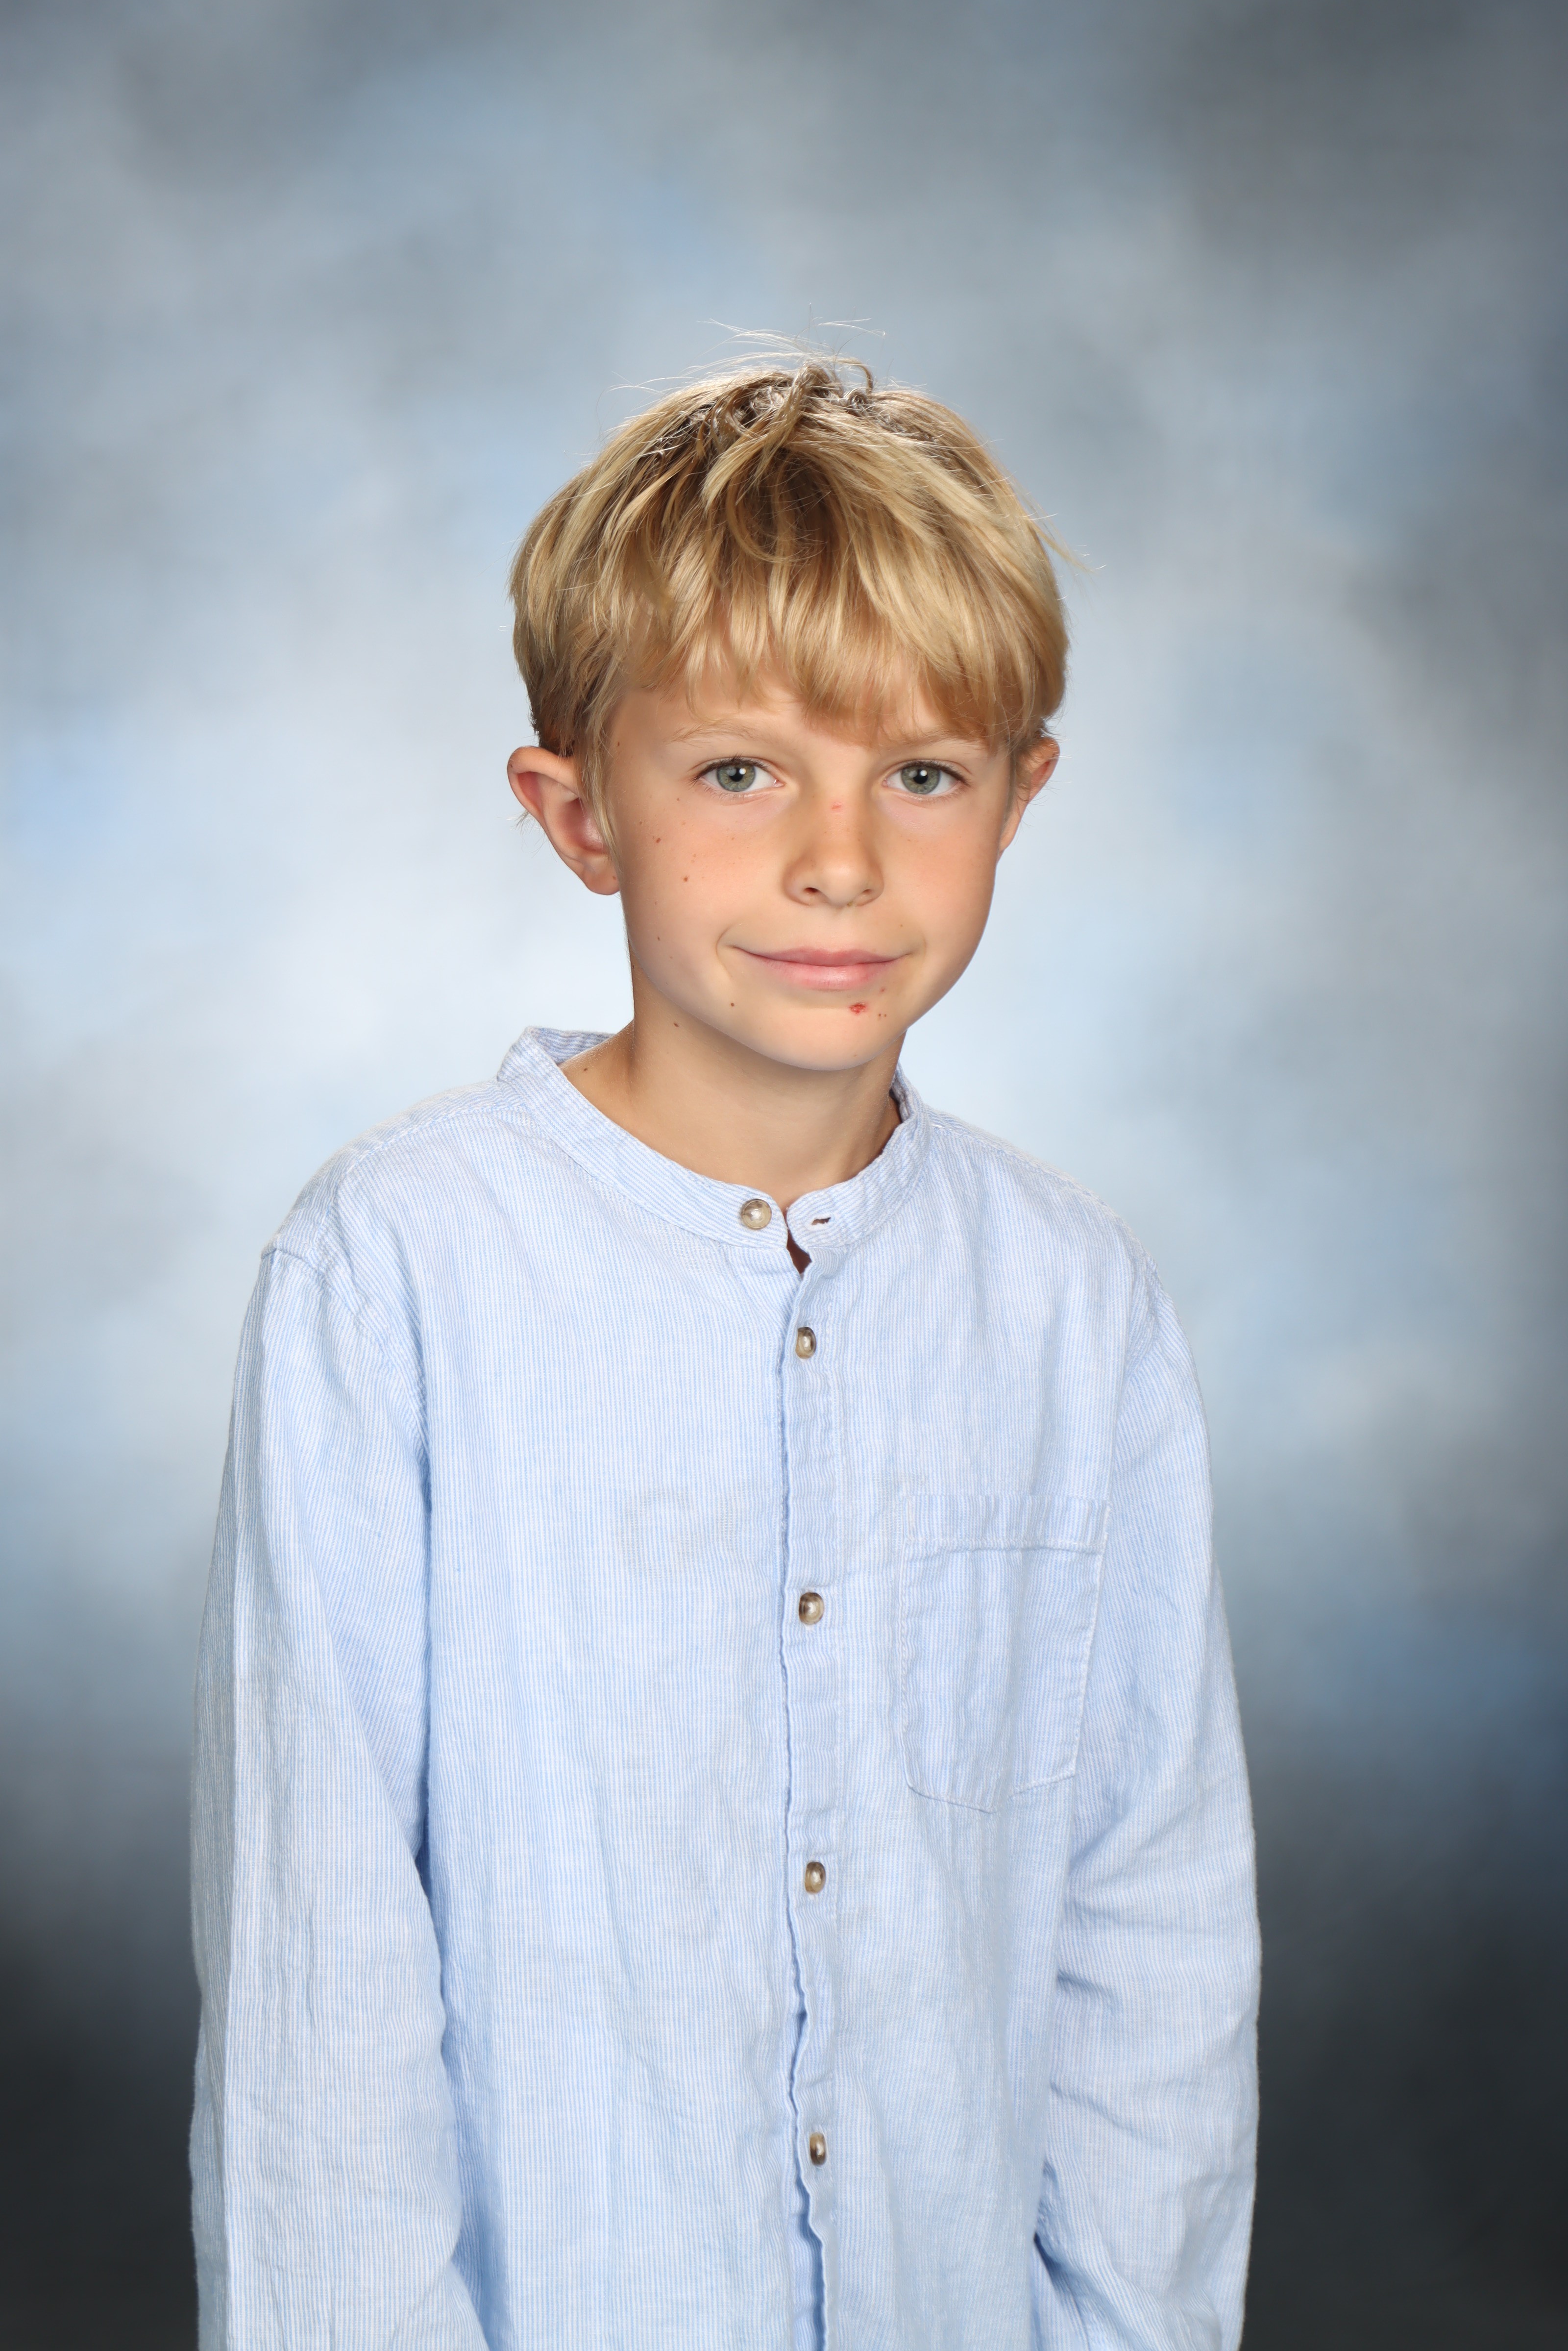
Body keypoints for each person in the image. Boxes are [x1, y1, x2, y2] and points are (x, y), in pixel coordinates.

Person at [191, 359, 1259, 2351]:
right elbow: (319, 1964)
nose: (839, 859)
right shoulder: (397, 1272)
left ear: (1021, 798)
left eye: (921, 775)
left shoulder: (1074, 1305)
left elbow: (1152, 1924)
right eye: (741, 773)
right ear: (577, 812)